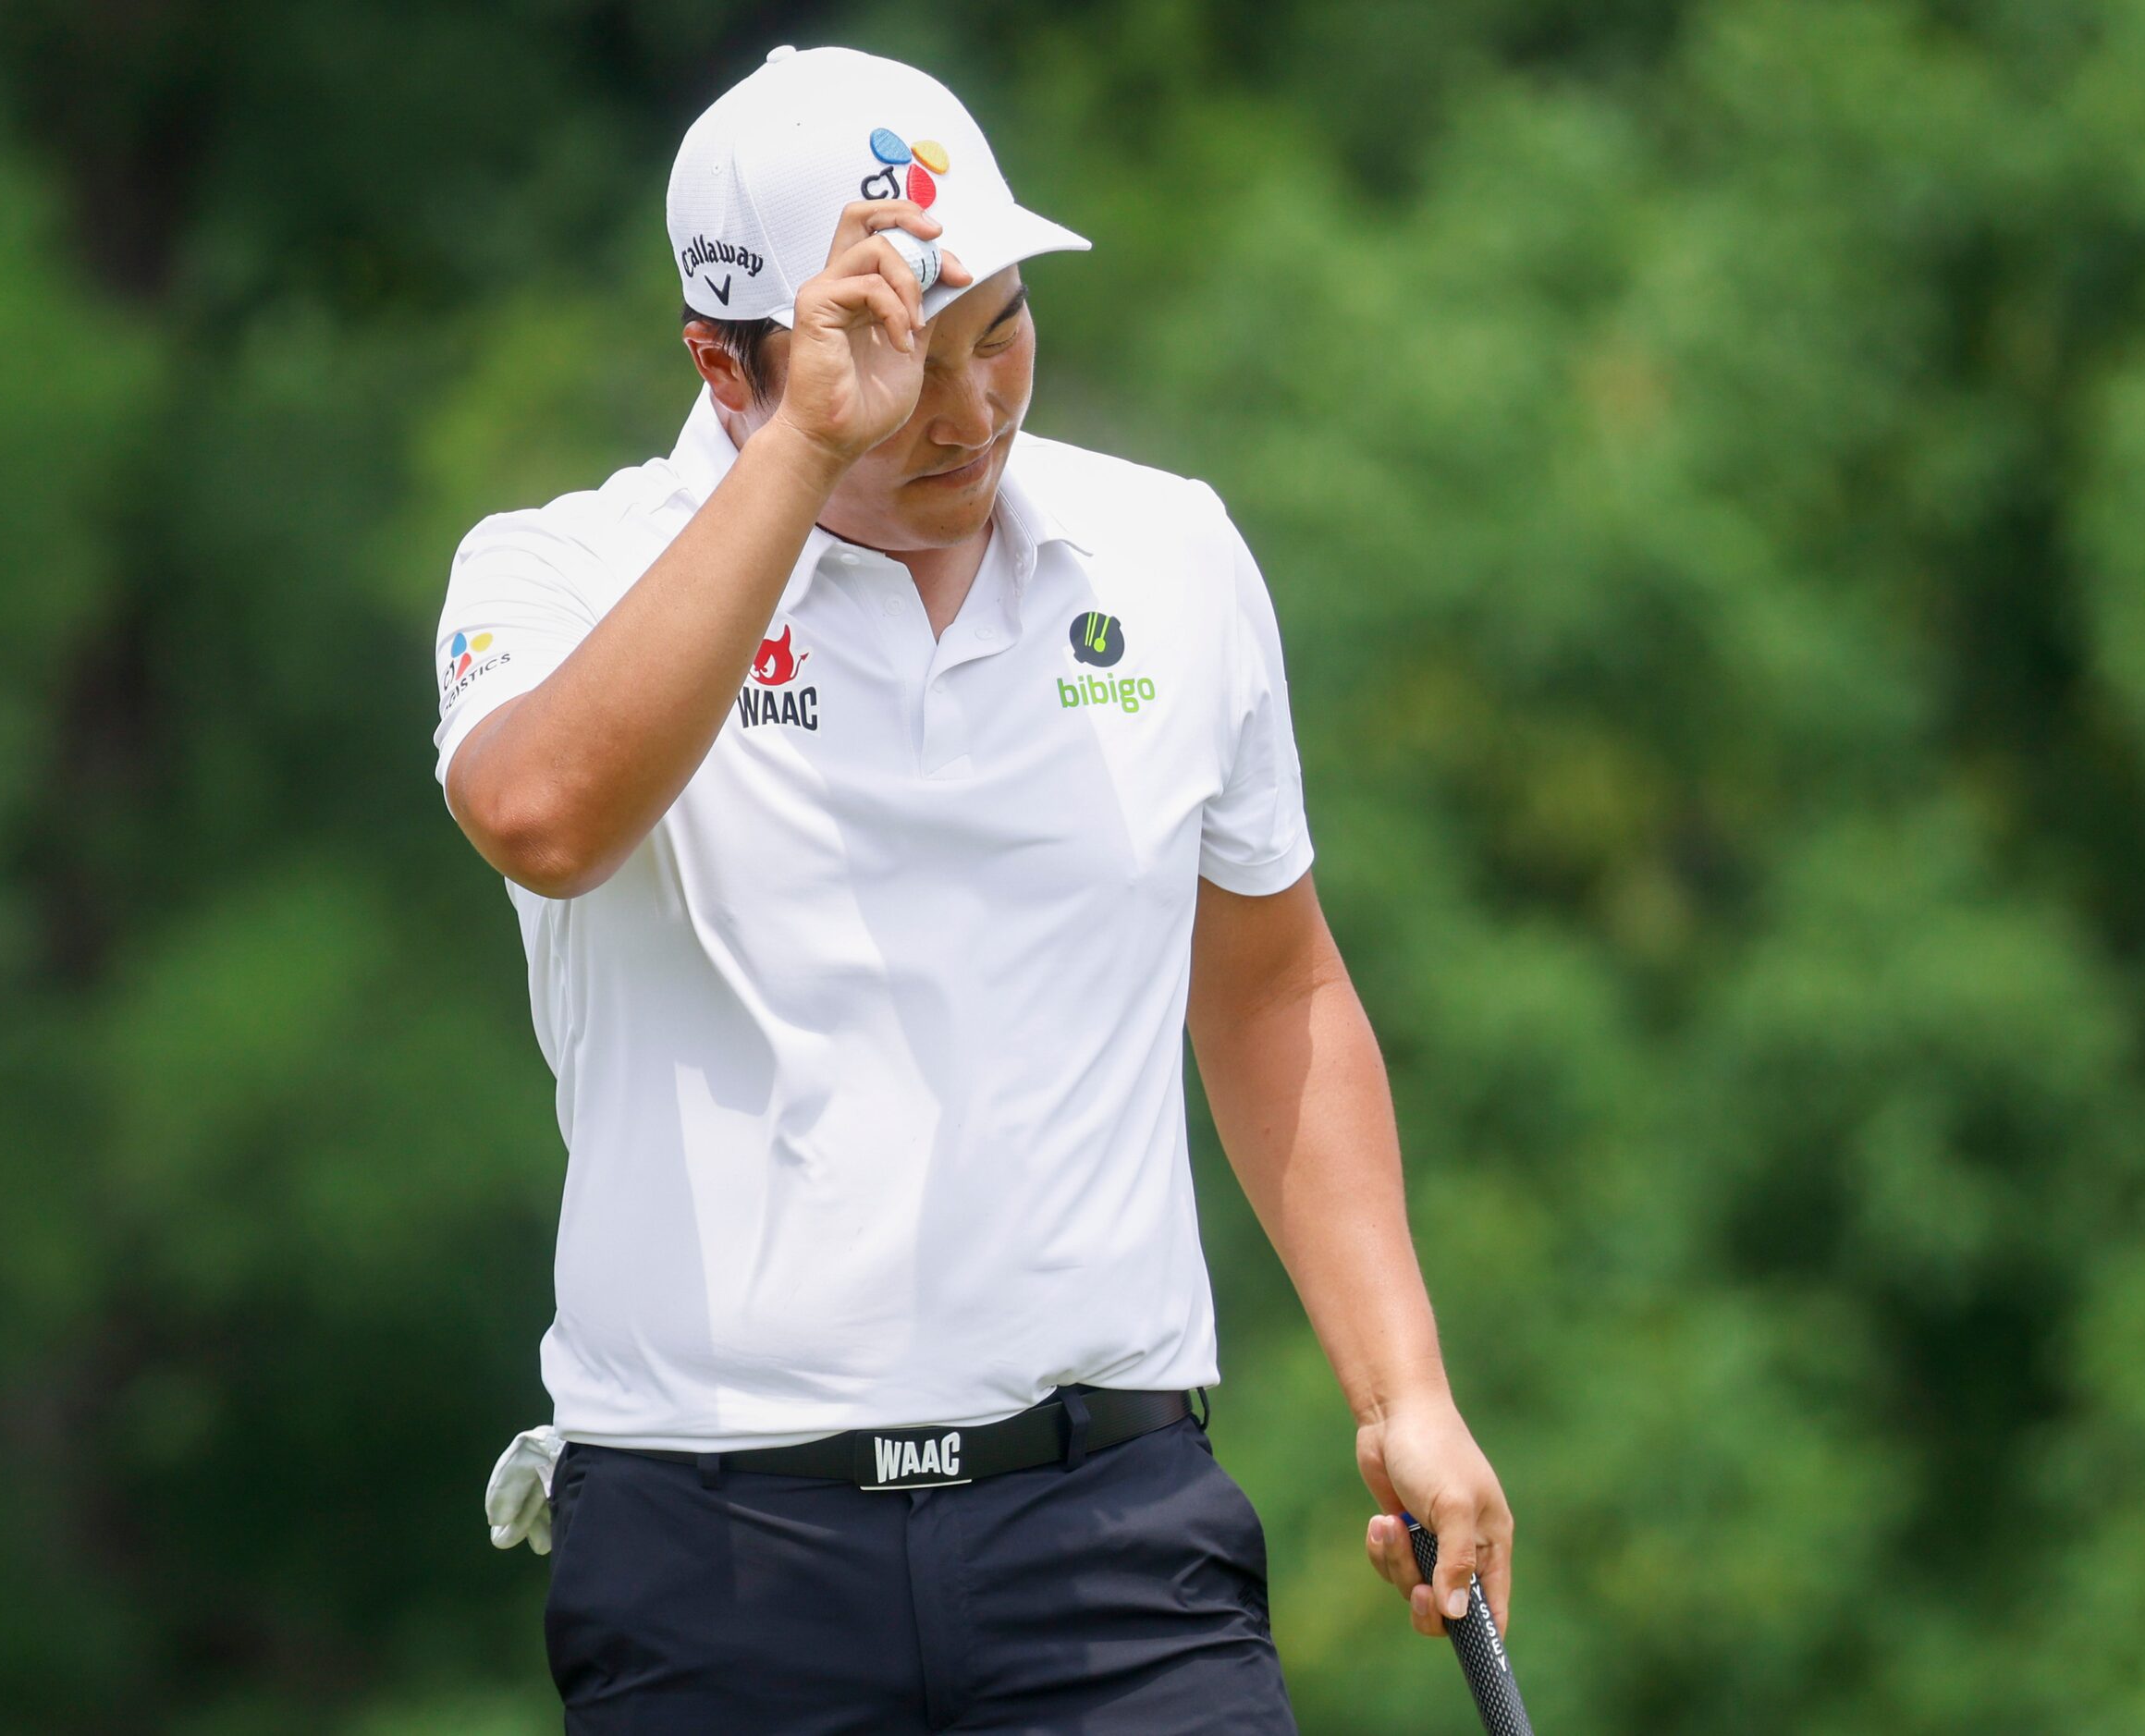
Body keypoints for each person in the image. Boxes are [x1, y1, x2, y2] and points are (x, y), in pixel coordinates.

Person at [438, 43, 1513, 1733]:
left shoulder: (1170, 557)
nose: (968, 406)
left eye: (996, 325)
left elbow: (1271, 987)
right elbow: (544, 813)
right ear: (725, 364)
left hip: (1111, 1539)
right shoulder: (561, 568)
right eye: (889, 355)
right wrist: (802, 458)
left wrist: (1410, 1389)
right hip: (720, 1556)